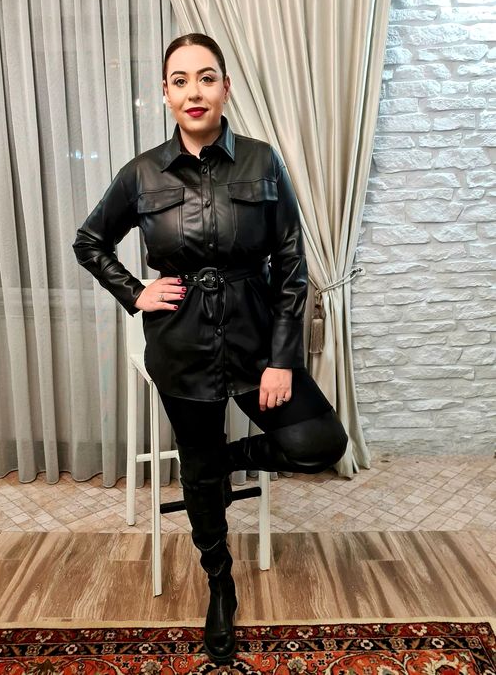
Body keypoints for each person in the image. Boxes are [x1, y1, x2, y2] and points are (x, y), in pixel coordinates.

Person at [73, 33, 348, 663]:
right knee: (198, 470)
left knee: (319, 443)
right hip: (182, 346)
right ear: (165, 94)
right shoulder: (142, 172)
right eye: (180, 80)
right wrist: (135, 292)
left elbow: (291, 267)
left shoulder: (262, 161)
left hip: (256, 342)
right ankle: (219, 582)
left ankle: (214, 464)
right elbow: (90, 242)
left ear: (225, 87)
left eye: (205, 77)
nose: (193, 91)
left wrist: (282, 359)